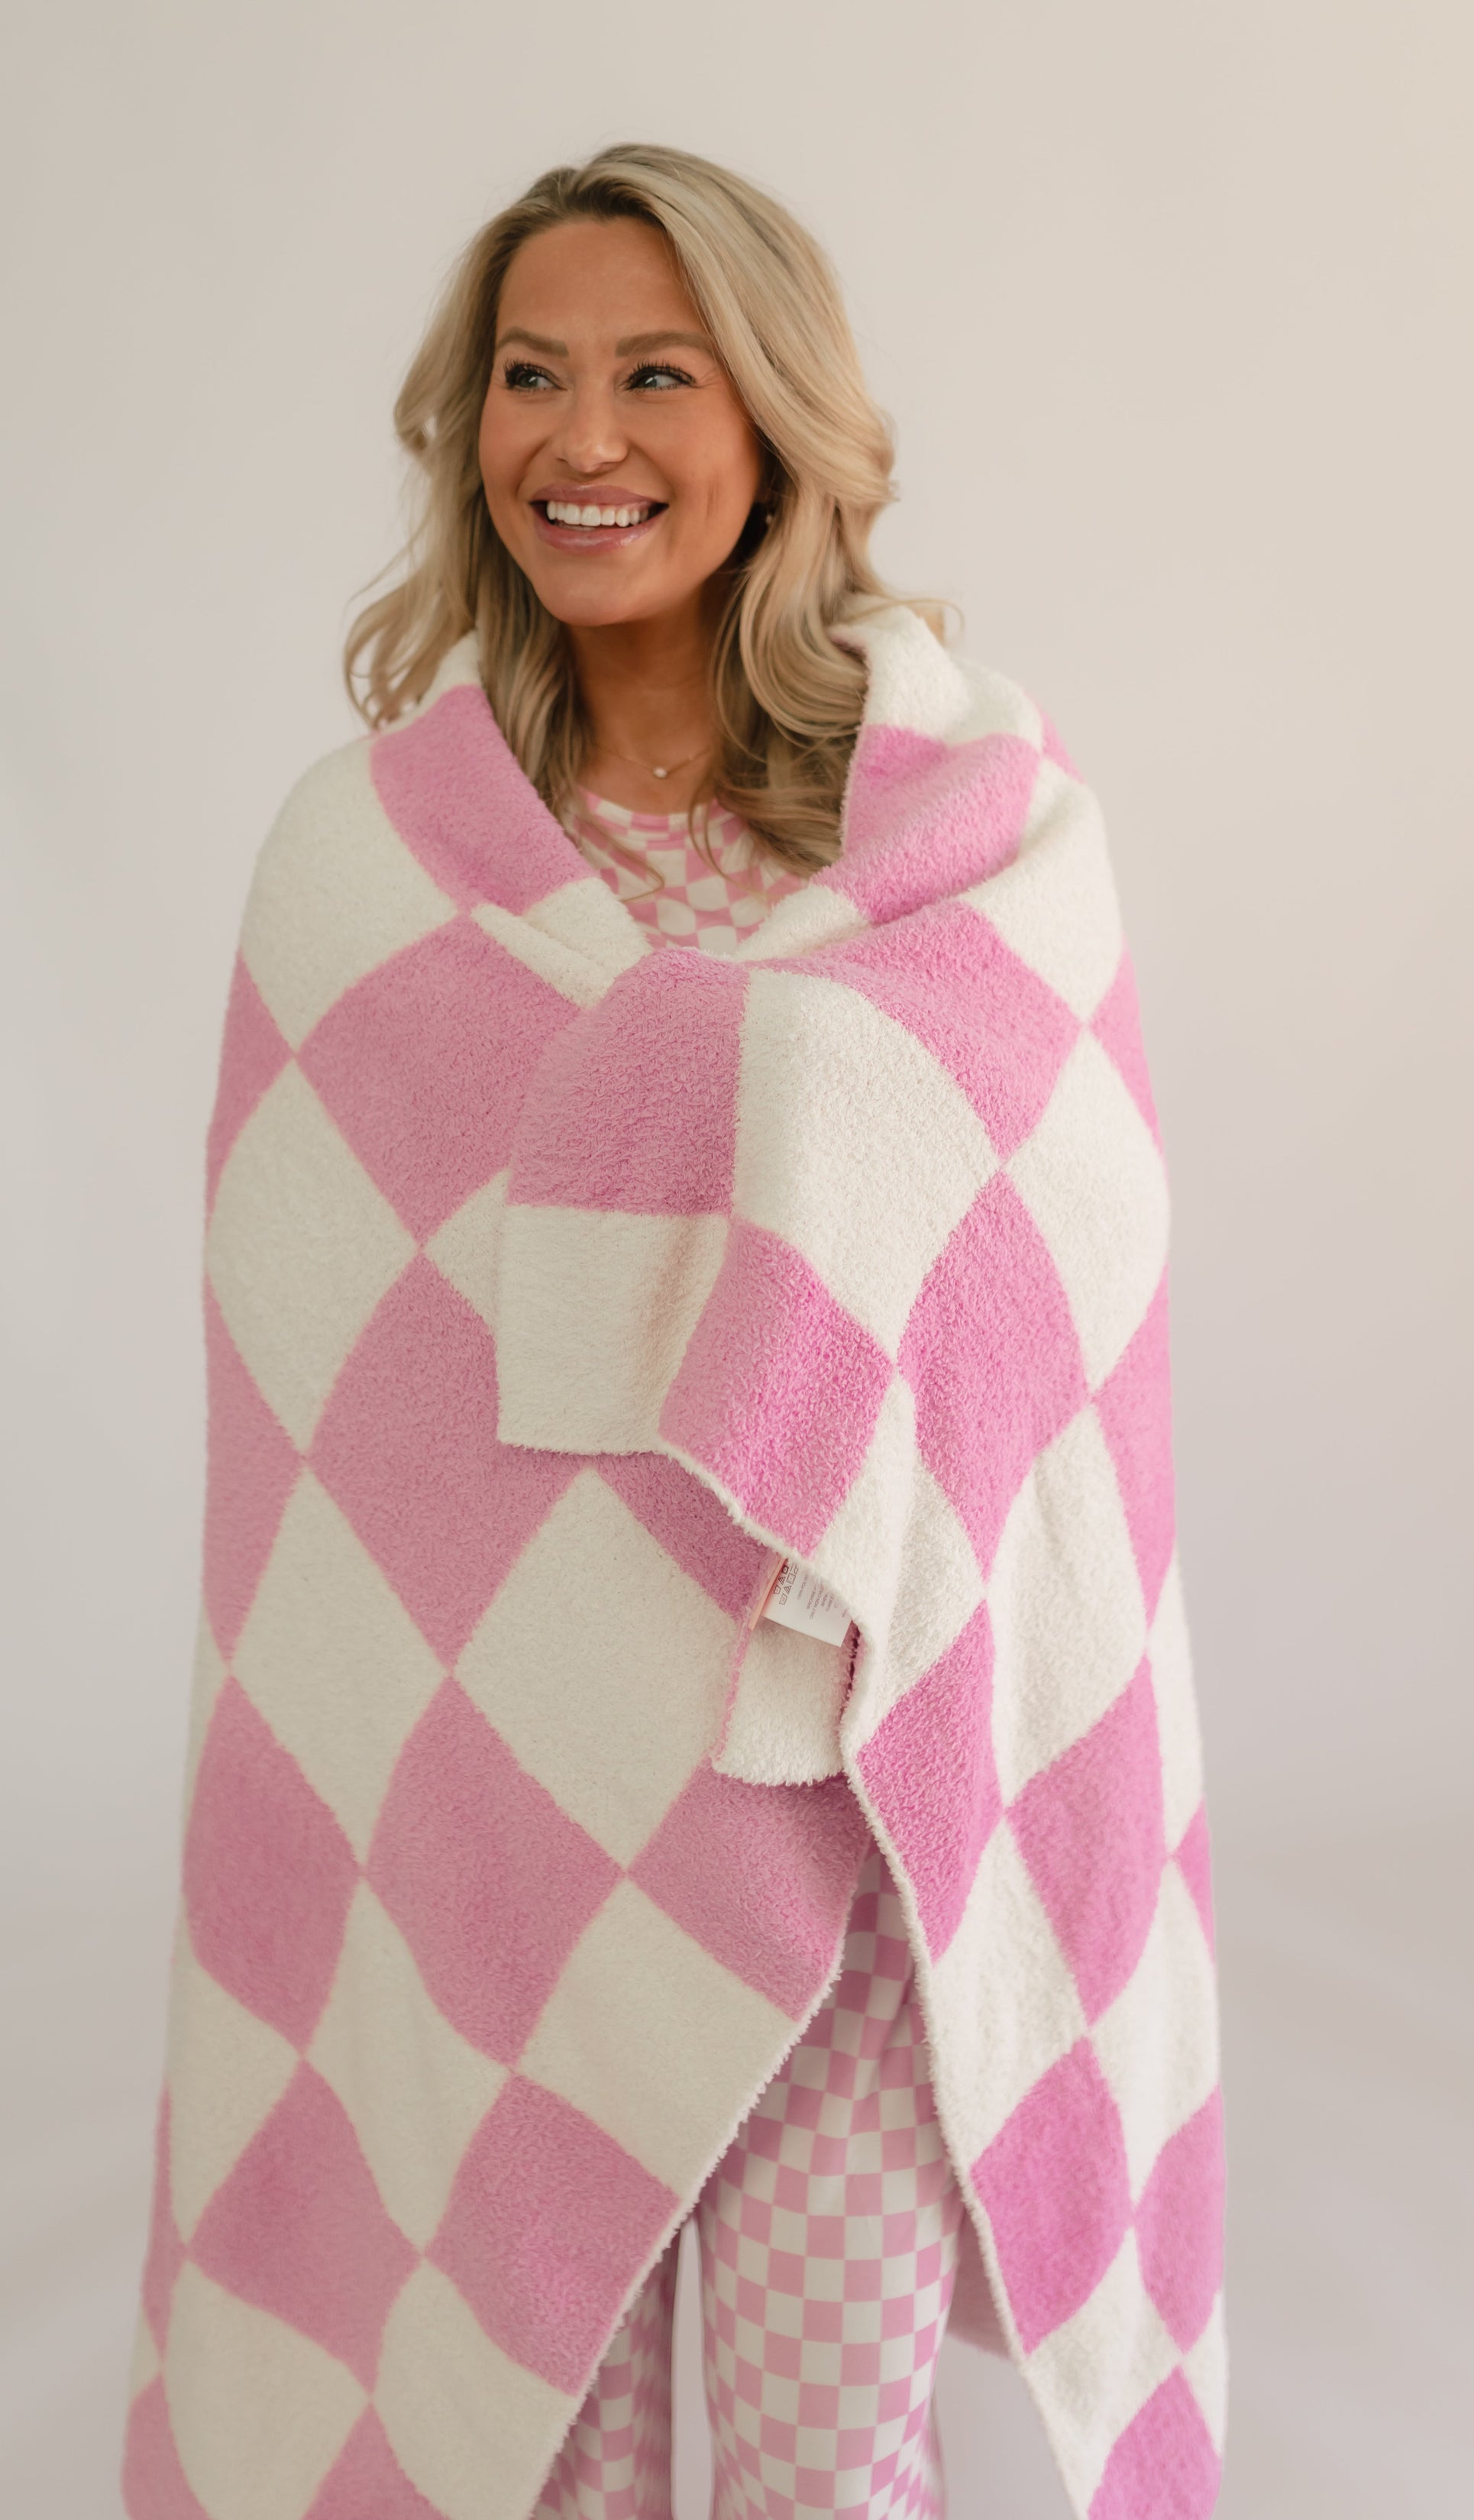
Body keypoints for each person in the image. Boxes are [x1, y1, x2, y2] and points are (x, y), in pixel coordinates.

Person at [123, 147, 1223, 2520]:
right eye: (530, 375)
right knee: (537, 2463)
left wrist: (781, 1108)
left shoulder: (968, 843)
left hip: (833, 1842)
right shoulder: (367, 869)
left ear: (774, 421)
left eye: (655, 373)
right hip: (494, 1835)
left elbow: (1065, 1290)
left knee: (831, 2464)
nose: (582, 436)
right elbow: (332, 1425)